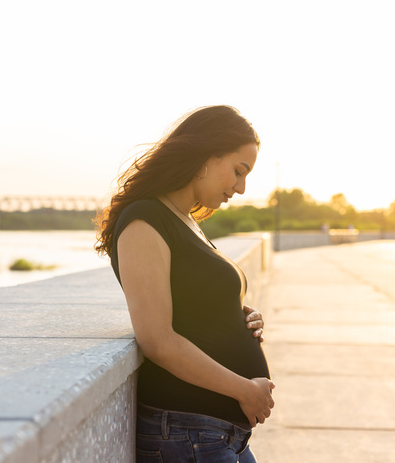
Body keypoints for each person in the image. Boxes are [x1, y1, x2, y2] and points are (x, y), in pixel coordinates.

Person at [95, 105, 274, 462]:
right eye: (238, 172)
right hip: (186, 433)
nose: (240, 188)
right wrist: (244, 390)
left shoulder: (184, 220)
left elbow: (192, 304)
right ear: (205, 157)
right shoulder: (145, 221)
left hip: (214, 434)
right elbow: (157, 340)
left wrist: (237, 315)